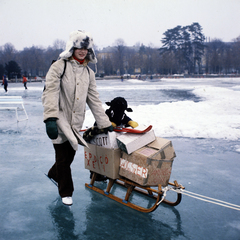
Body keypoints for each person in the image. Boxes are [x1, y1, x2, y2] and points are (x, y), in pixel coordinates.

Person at [42, 30, 113, 206]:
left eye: (86, 48)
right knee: (63, 158)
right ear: (72, 48)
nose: (82, 51)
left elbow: (94, 99)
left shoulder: (89, 73)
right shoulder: (59, 66)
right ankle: (66, 192)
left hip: (76, 122)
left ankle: (53, 173)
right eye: (79, 47)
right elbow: (49, 93)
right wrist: (50, 118)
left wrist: (105, 123)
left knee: (69, 155)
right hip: (59, 119)